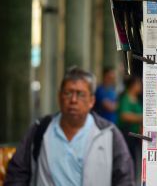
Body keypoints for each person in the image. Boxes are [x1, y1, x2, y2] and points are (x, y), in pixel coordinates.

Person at [4, 67, 135, 186]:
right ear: (59, 96)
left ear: (91, 101)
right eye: (68, 93)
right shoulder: (40, 129)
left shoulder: (108, 134)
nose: (73, 100)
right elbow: (17, 174)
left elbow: (125, 179)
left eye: (81, 94)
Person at [117, 76, 143, 185]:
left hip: (135, 134)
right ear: (133, 85)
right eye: (138, 84)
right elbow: (124, 115)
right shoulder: (126, 98)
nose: (140, 86)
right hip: (126, 134)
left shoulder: (136, 99)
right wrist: (142, 117)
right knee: (128, 159)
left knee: (135, 159)